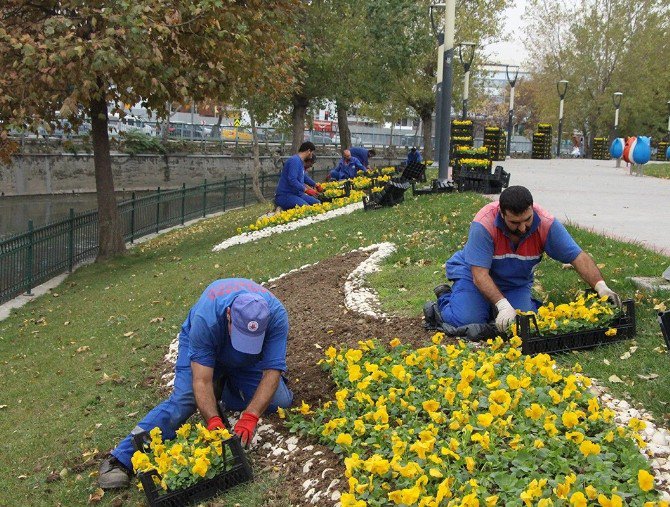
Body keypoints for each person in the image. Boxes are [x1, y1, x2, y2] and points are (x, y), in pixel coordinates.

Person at [98, 279, 293, 489]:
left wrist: (251, 416)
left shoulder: (276, 316)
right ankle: (120, 459)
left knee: (279, 401)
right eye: (241, 334)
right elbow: (201, 379)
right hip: (207, 351)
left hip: (247, 361)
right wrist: (214, 422)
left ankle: (225, 386)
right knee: (185, 400)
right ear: (228, 316)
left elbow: (272, 372)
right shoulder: (206, 318)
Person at [437, 186, 621, 332]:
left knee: (524, 324)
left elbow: (578, 257)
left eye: (527, 219)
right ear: (502, 213)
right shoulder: (483, 225)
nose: (523, 228)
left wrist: (601, 287)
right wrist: (502, 305)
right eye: (515, 223)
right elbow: (479, 275)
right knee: (467, 321)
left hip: (514, 282)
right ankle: (445, 298)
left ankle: (499, 305)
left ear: (532, 209)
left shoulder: (547, 224)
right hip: (474, 276)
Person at [274, 141, 320, 210]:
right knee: (306, 208)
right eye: (312, 152)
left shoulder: (300, 161)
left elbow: (303, 177)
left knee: (317, 203)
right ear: (309, 151)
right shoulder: (294, 160)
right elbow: (292, 180)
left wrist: (315, 185)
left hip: (298, 194)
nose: (312, 155)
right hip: (286, 195)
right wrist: (305, 190)